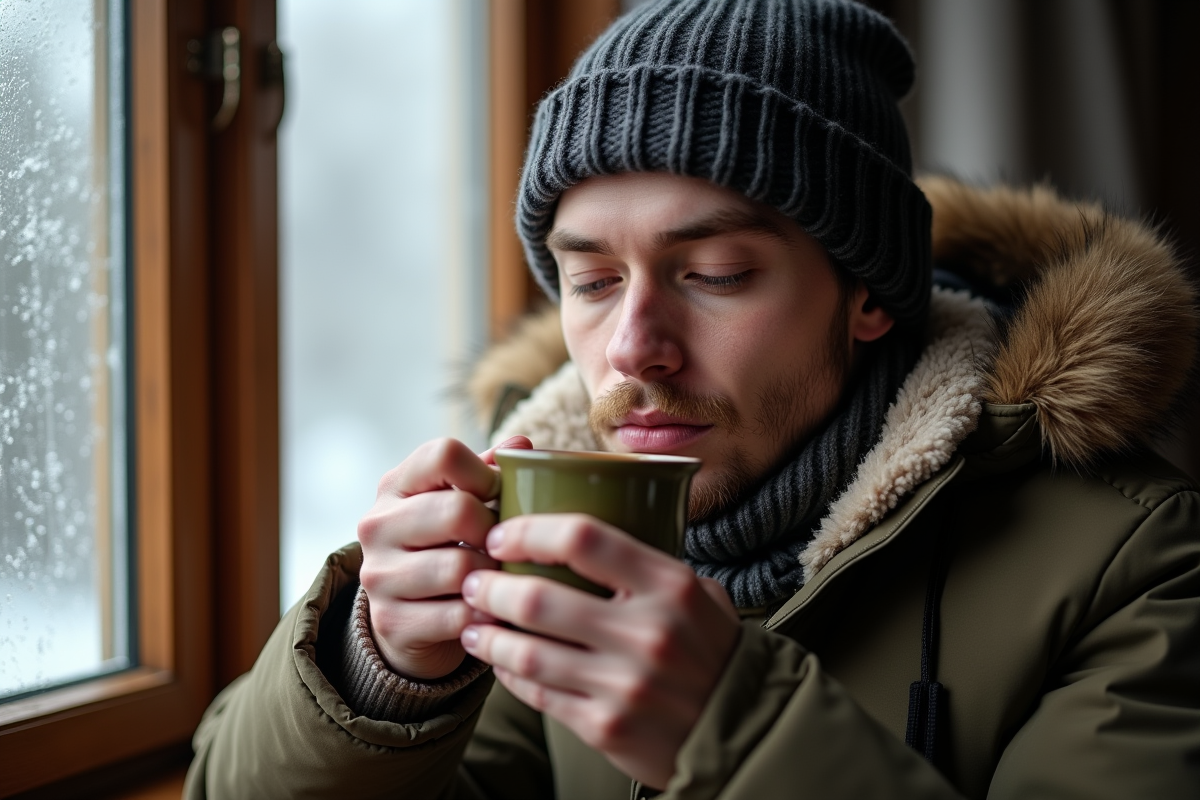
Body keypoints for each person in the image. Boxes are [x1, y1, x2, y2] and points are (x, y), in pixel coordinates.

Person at [184, 1, 1200, 797]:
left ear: (867, 296)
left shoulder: (1136, 563)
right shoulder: (548, 514)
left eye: (715, 274)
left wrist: (735, 730)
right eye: (591, 281)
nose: (633, 348)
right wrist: (382, 673)